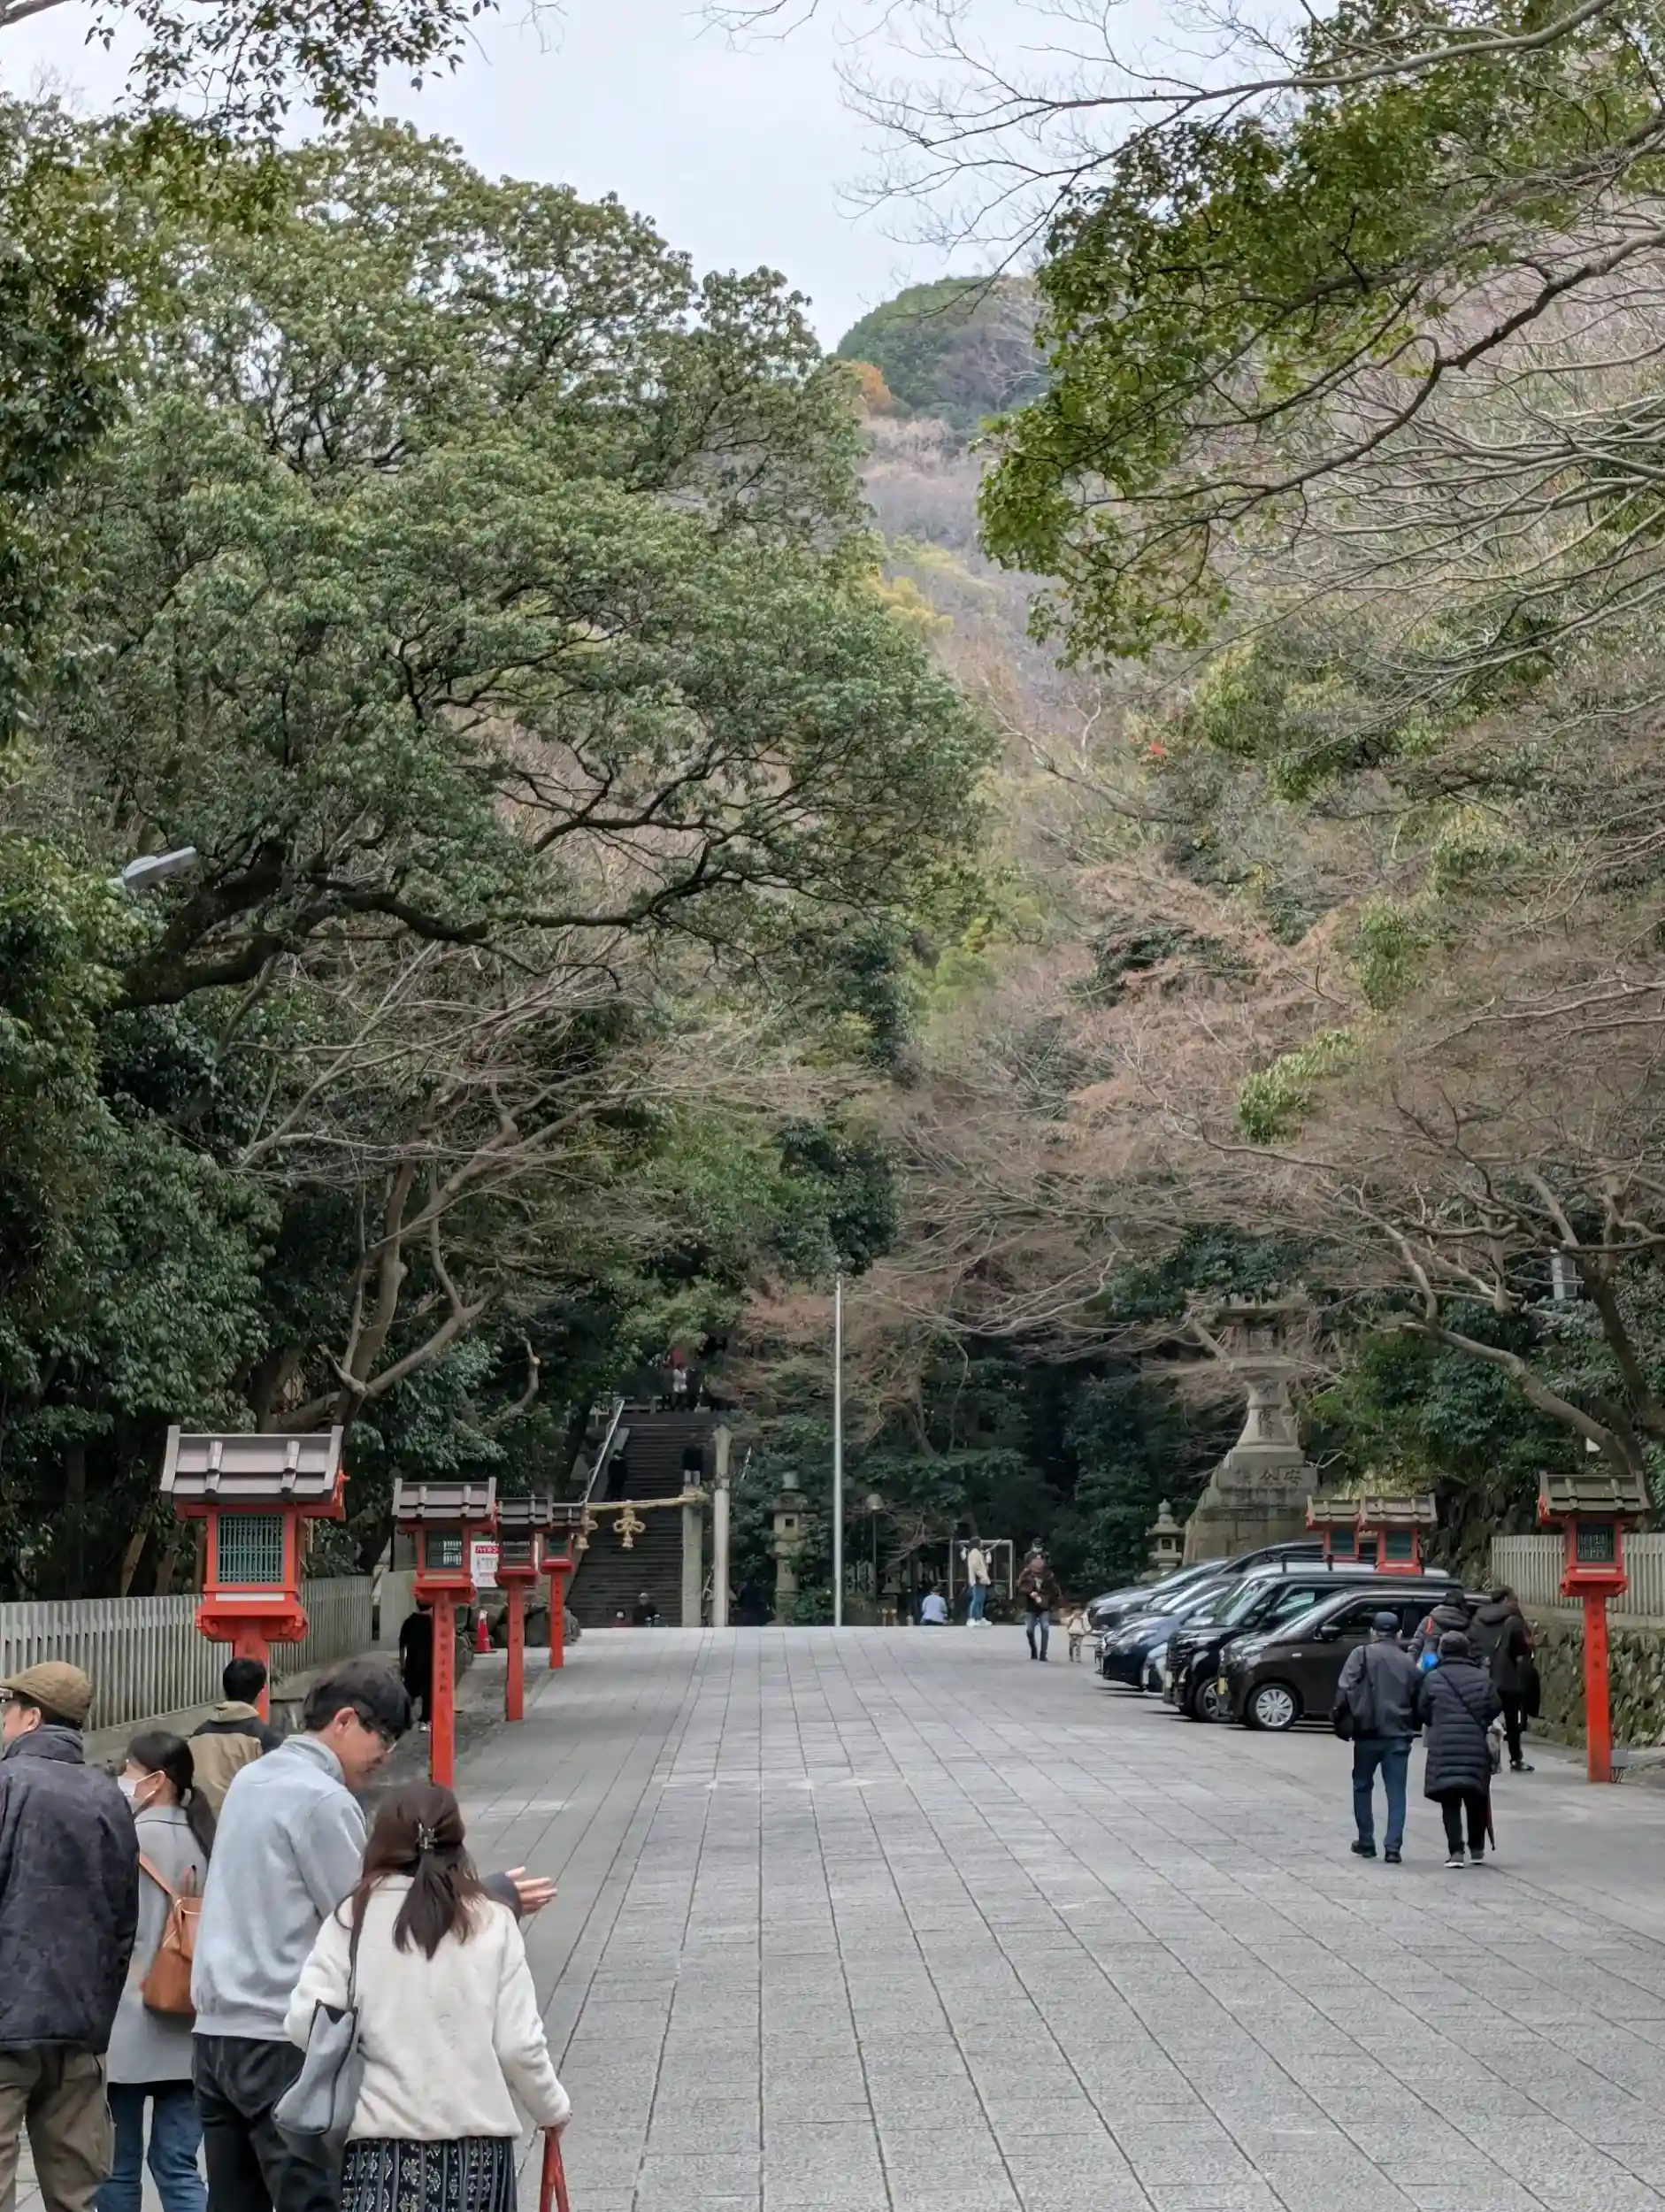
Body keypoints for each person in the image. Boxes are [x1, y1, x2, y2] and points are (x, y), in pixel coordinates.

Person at [191, 1659, 552, 2212]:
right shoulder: (322, 1799)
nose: (385, 1756)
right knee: (311, 2198)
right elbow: (367, 1918)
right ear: (343, 1721)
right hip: (281, 2036)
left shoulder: (251, 1779)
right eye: (382, 1739)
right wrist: (488, 1900)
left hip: (214, 2034)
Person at [286, 1783, 569, 2212]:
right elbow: (518, 2045)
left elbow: (303, 2022)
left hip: (380, 2156)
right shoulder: (492, 1919)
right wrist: (551, 2110)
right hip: (478, 2158)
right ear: (457, 1843)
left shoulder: (352, 1918)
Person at [0, 1662, 139, 2212]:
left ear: (32, 1718)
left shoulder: (6, 1783)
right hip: (80, 2026)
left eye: (8, 1709)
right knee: (75, 2191)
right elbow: (124, 1920)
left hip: (6, 2022)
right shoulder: (108, 1797)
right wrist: (99, 2010)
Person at [101, 1733, 217, 2212]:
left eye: (128, 1769)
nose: (121, 1779)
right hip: (190, 2020)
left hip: (124, 2023)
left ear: (156, 1779)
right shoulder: (209, 1839)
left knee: (116, 2167)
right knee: (178, 2165)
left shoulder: (120, 1837)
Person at [1334, 1613, 1420, 1864]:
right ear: (1399, 1634)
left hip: (1367, 1731)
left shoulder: (1360, 1654)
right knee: (1397, 1792)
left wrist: (1341, 1717)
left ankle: (1366, 1841)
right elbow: (1418, 1696)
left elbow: (1345, 1687)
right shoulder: (1408, 1662)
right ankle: (1393, 1847)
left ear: (1373, 1632)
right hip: (1399, 1733)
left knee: (1362, 1785)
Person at [1416, 1630, 1503, 1868]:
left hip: (1444, 1745)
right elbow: (1495, 1706)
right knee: (1476, 1797)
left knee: (1450, 1799)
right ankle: (1477, 1848)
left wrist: (1439, 1722)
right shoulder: (1482, 1679)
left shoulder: (1433, 1679)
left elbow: (1423, 1711)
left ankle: (1456, 1852)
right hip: (1475, 1745)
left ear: (1443, 1651)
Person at [189, 1661, 283, 1817]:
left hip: (202, 1826)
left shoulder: (197, 1736)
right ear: (260, 1693)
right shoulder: (266, 1739)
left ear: (225, 1689)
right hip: (246, 1825)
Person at [1470, 1586, 1536, 1771]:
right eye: (1514, 1599)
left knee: (1483, 1718)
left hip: (1482, 1674)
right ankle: (1515, 1759)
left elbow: (1472, 1644)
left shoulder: (1477, 1618)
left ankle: (1481, 1756)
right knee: (1512, 1720)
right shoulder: (1513, 1619)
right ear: (1506, 1600)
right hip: (1506, 1676)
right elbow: (1521, 1648)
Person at [1016, 1548, 1062, 1661]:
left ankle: (1043, 1653)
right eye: (1035, 1560)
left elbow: (1054, 1590)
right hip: (1031, 1606)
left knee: (1045, 1627)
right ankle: (1033, 1649)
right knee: (1029, 1630)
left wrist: (1048, 1600)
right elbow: (1019, 1587)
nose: (1038, 1562)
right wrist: (1030, 1593)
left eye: (1040, 1560)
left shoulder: (1049, 1575)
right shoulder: (1026, 1574)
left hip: (1044, 1607)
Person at [1408, 1586, 1472, 1666]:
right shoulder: (1467, 1624)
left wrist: (1409, 1667)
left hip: (1429, 1667)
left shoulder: (1430, 1621)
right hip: (1458, 1668)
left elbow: (1415, 1647)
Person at [396, 1606, 434, 1728]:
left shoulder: (409, 1622)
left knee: (409, 1692)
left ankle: (404, 1718)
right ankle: (425, 1720)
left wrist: (402, 1664)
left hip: (413, 1662)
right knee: (428, 1694)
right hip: (429, 1662)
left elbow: (402, 1645)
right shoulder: (433, 1623)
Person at [963, 1543, 992, 1625]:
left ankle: (979, 1618)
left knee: (981, 1600)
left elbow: (984, 1565)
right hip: (978, 1579)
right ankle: (971, 1618)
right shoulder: (974, 1553)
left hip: (982, 1579)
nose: (981, 1544)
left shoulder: (979, 1553)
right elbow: (976, 1567)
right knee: (976, 1599)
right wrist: (981, 1576)